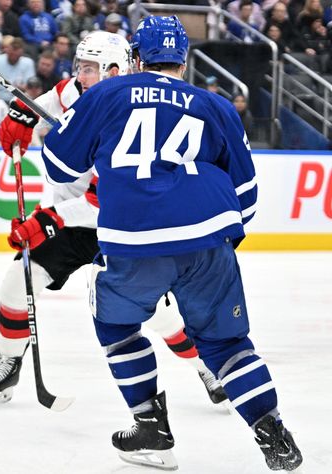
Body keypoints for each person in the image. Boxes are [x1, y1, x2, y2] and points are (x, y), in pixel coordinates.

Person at [40, 16, 302, 471]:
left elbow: (59, 169)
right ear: (183, 60)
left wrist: (69, 125)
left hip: (134, 241)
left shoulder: (106, 93)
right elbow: (246, 197)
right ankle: (273, 434)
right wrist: (212, 249)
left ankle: (151, 429)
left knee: (118, 326)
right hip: (208, 238)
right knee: (228, 345)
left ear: (136, 58)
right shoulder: (216, 106)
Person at [0, 30, 227, 411]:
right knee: (18, 281)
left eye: (89, 68)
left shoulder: (128, 111)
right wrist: (19, 115)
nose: (80, 74)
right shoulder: (74, 90)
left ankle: (205, 367)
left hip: (119, 227)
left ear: (113, 71)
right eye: (80, 65)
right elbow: (50, 99)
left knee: (158, 313)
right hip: (68, 225)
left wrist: (47, 220)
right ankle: (9, 363)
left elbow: (102, 200)